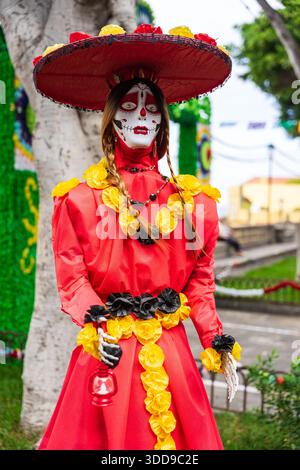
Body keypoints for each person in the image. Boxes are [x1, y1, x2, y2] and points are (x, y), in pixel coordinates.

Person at [33, 23, 241, 451]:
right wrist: (99, 325)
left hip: (171, 355)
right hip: (107, 352)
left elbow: (199, 284)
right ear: (113, 120)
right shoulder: (77, 200)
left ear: (163, 122)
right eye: (131, 105)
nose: (142, 115)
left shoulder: (195, 204)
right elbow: (72, 280)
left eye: (152, 107)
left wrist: (213, 338)